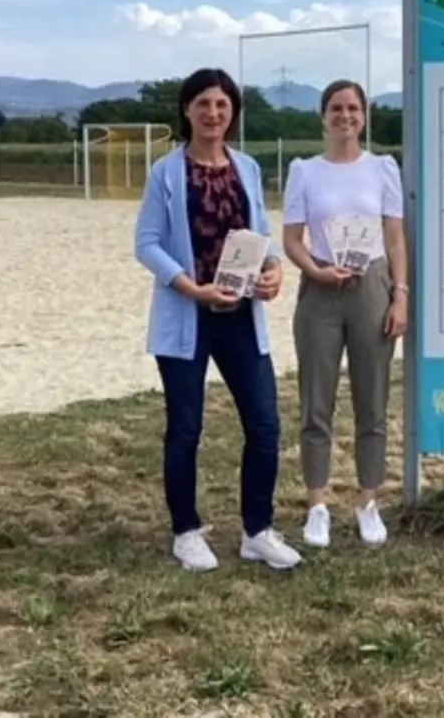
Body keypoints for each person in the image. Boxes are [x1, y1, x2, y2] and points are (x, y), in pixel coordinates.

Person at [134, 67, 302, 573]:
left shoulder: (247, 167)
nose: (213, 113)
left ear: (233, 113)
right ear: (186, 110)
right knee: (186, 427)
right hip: (188, 316)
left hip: (241, 315)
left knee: (265, 424)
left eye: (222, 105)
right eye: (203, 103)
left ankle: (258, 530)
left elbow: (263, 234)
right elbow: (147, 244)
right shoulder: (167, 172)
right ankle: (186, 531)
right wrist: (189, 287)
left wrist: (273, 272)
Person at [281, 79, 408, 549]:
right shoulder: (305, 171)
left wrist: (400, 295)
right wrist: (316, 269)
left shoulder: (382, 169)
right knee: (317, 401)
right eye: (336, 108)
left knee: (371, 400)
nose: (345, 116)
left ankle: (368, 498)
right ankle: (317, 502)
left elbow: (394, 238)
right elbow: (293, 238)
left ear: (365, 116)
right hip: (321, 289)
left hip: (370, 285)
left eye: (353, 108)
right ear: (324, 116)